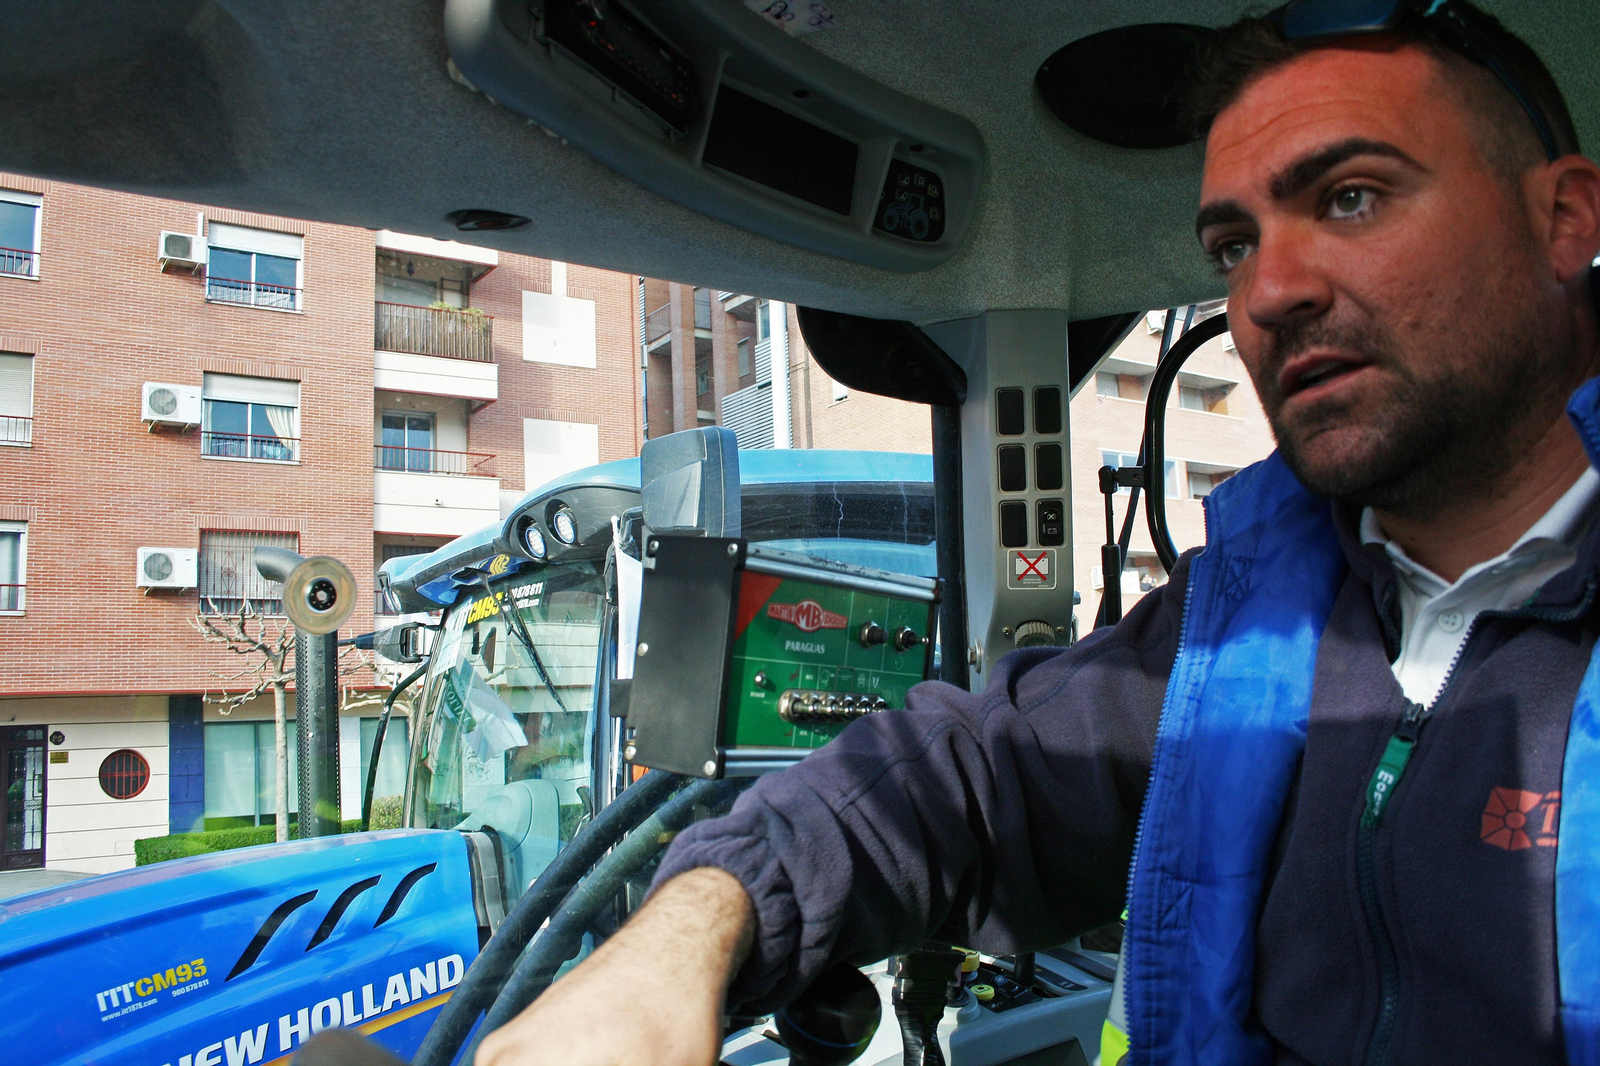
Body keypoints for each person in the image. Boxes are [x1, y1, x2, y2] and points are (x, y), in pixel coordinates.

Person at [478, 4, 1600, 1064]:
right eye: (1232, 247)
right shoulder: (1260, 612)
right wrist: (693, 926)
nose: (1269, 293)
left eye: (1350, 198)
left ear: (1562, 219)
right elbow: (975, 771)